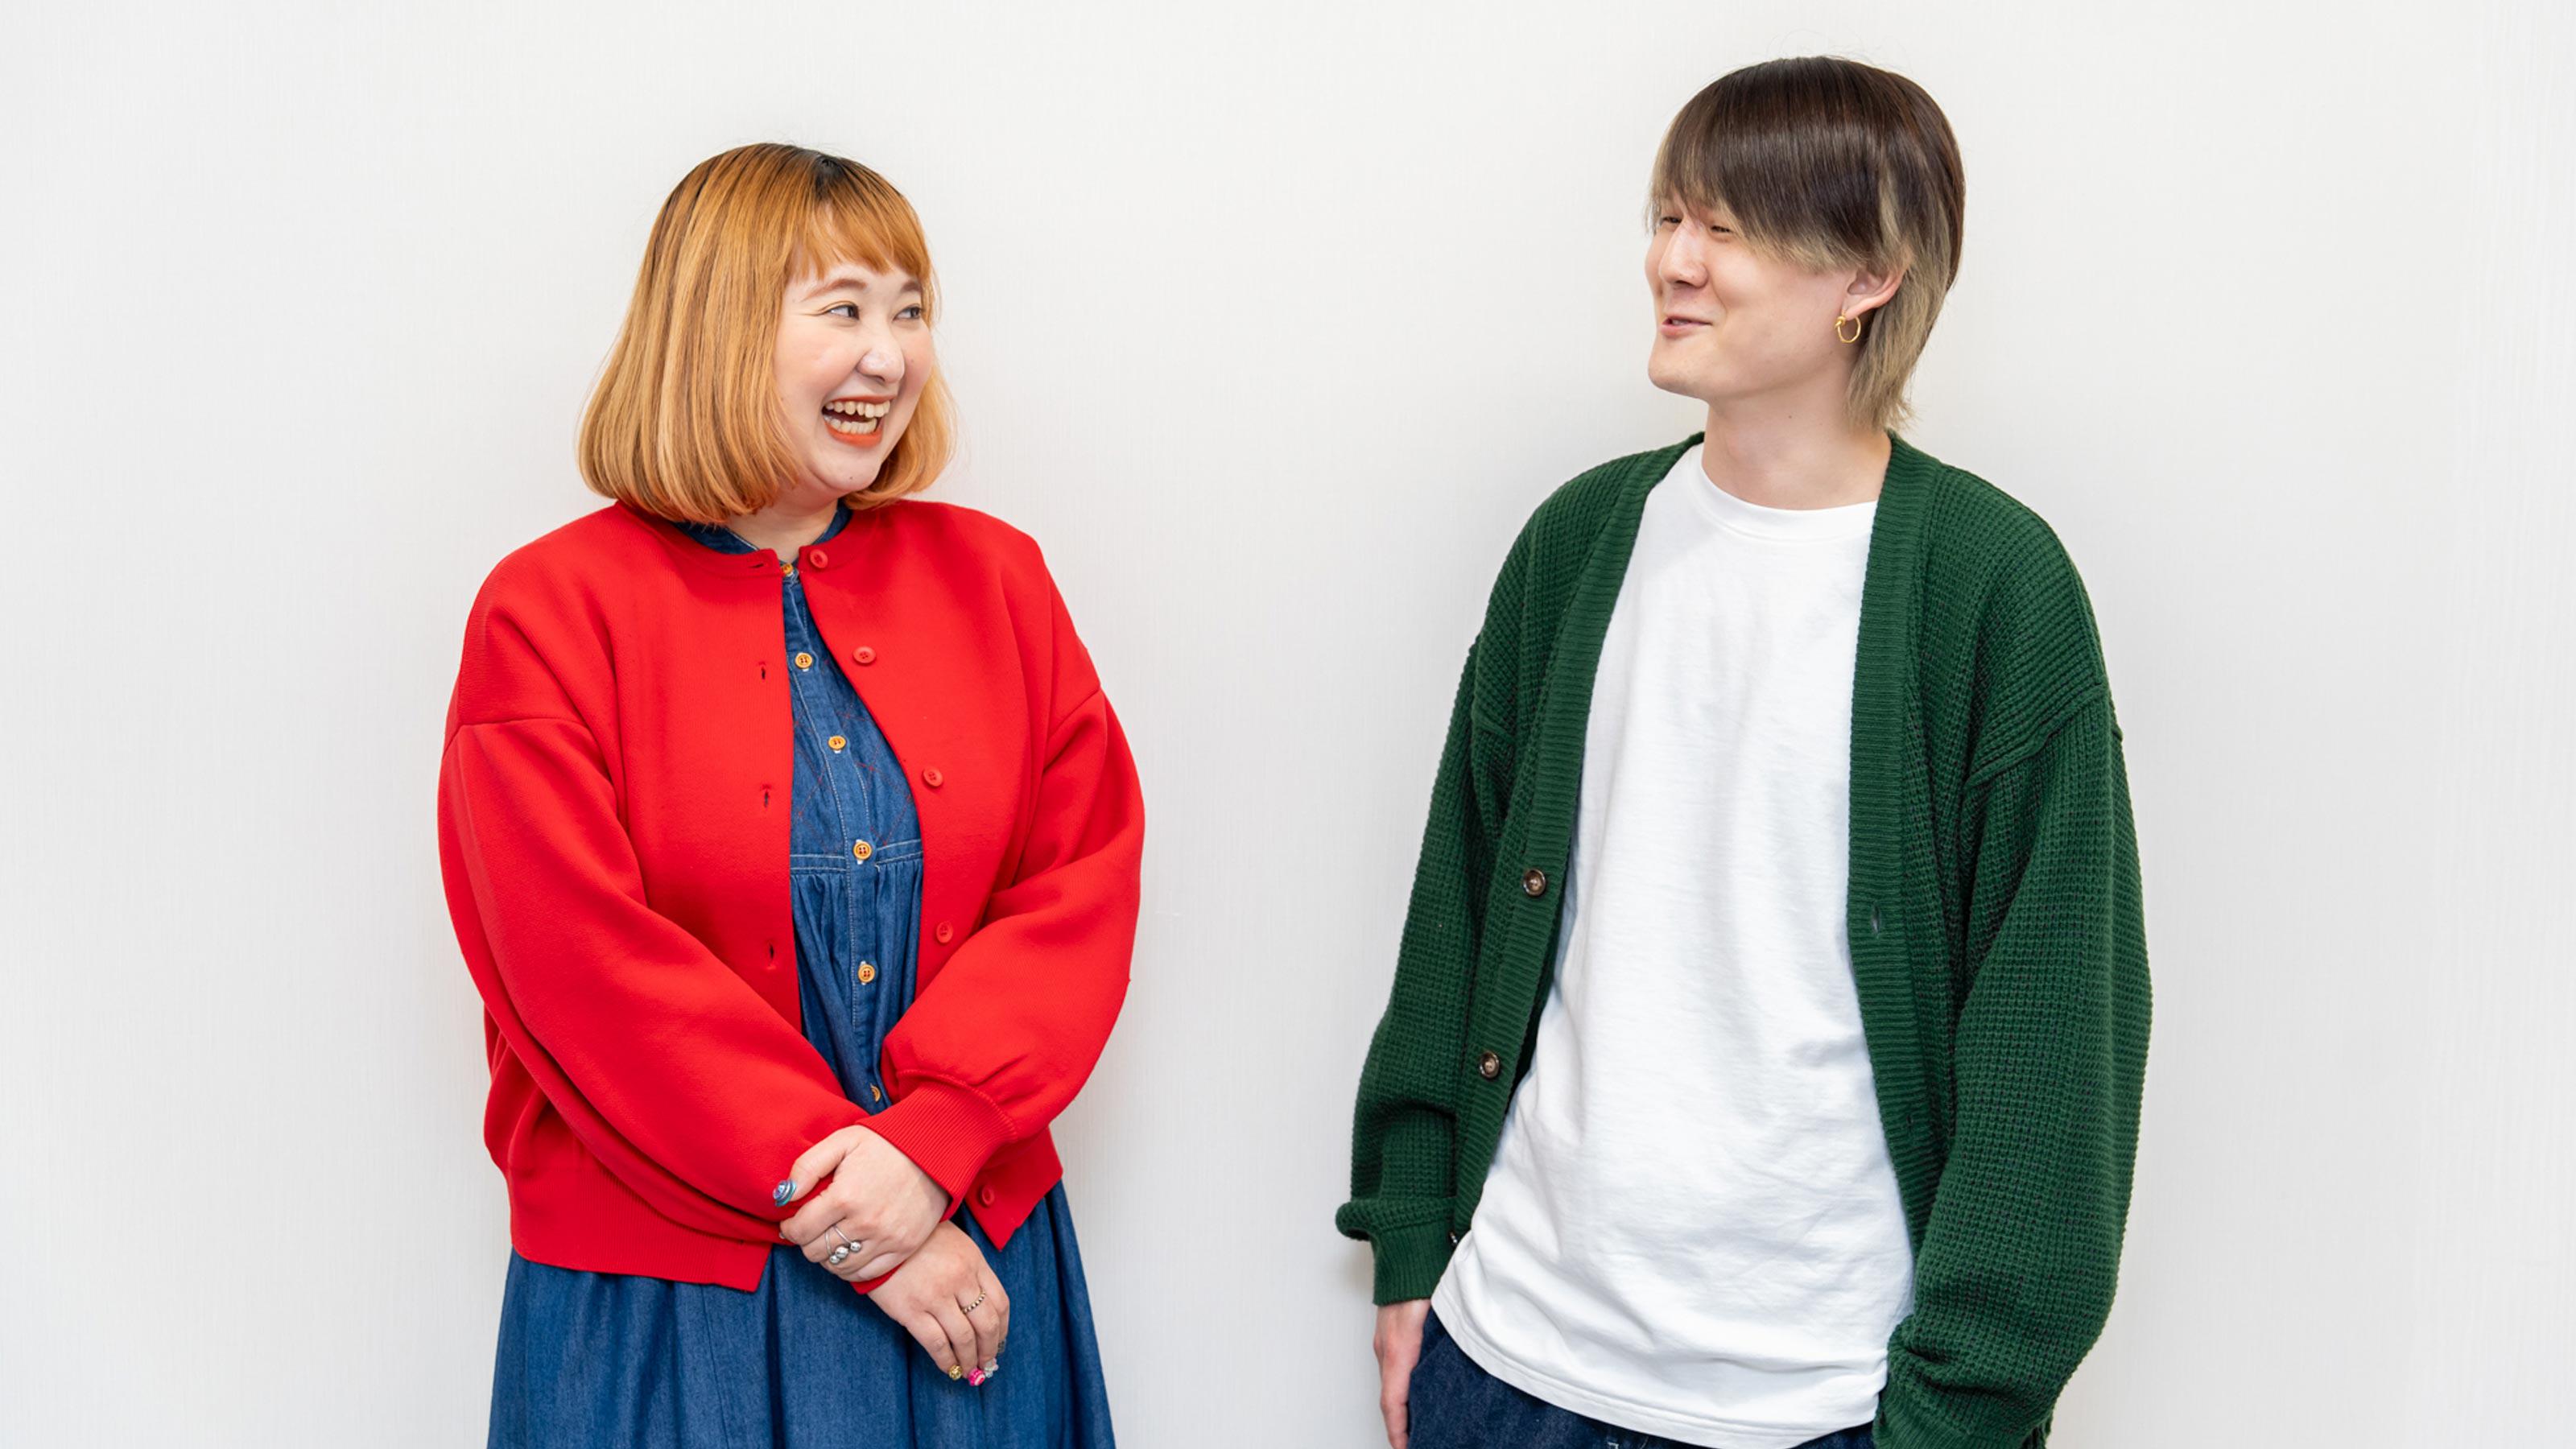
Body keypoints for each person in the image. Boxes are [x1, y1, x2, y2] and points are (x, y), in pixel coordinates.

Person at [1338, 57, 2149, 1449]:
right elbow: (1458, 905)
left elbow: (2054, 1034)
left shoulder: (1992, 588)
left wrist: (1963, 1408)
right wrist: (1414, 1237)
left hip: (1822, 1401)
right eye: (1667, 217)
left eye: (1729, 227)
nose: (1674, 261)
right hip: (1511, 1361)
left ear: (1869, 277)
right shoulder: (1582, 542)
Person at [436, 142, 1141, 1447]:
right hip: (668, 1306)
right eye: (843, 309)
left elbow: (1079, 888)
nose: (889, 355)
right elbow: (582, 973)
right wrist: (866, 1223)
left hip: (969, 1262)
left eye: (910, 310)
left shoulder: (998, 581)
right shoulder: (545, 615)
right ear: (716, 328)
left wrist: (933, 1146)